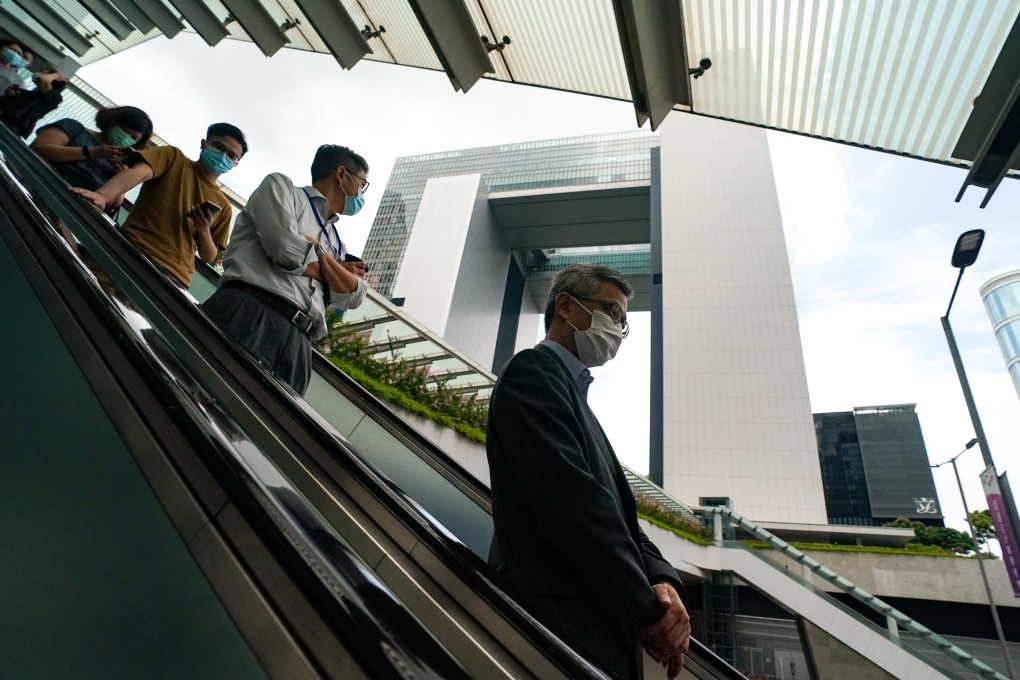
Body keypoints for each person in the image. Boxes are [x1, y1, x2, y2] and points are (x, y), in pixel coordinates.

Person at [486, 263, 691, 680]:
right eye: (612, 312)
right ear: (566, 305)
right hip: (560, 623)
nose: (618, 329)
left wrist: (664, 581)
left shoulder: (576, 395)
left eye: (624, 323)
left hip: (593, 626)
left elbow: (620, 517)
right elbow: (577, 506)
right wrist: (648, 611)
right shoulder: (533, 372)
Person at [202, 144, 369, 395]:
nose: (361, 194)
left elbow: (355, 295)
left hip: (300, 342)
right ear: (342, 174)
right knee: (208, 392)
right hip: (251, 310)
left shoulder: (337, 242)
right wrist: (335, 270)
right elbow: (286, 249)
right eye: (362, 184)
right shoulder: (282, 188)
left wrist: (319, 252)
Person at [72, 122, 247, 287]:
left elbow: (209, 256)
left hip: (173, 278)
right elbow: (138, 173)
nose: (223, 156)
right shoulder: (173, 157)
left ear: (235, 164)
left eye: (232, 156)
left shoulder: (224, 207)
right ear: (204, 143)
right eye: (219, 147)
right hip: (129, 250)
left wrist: (203, 229)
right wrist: (102, 196)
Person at [31, 106, 154, 204]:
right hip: (38, 185)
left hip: (74, 208)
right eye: (124, 130)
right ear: (111, 121)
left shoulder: (122, 163)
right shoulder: (74, 128)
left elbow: (114, 203)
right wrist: (90, 152)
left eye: (134, 138)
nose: (126, 138)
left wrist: (119, 176)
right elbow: (39, 147)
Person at [0, 39, 68, 138]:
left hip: (11, 130)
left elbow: (42, 79)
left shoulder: (54, 97)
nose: (38, 74)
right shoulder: (25, 93)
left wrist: (56, 75)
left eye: (44, 73)